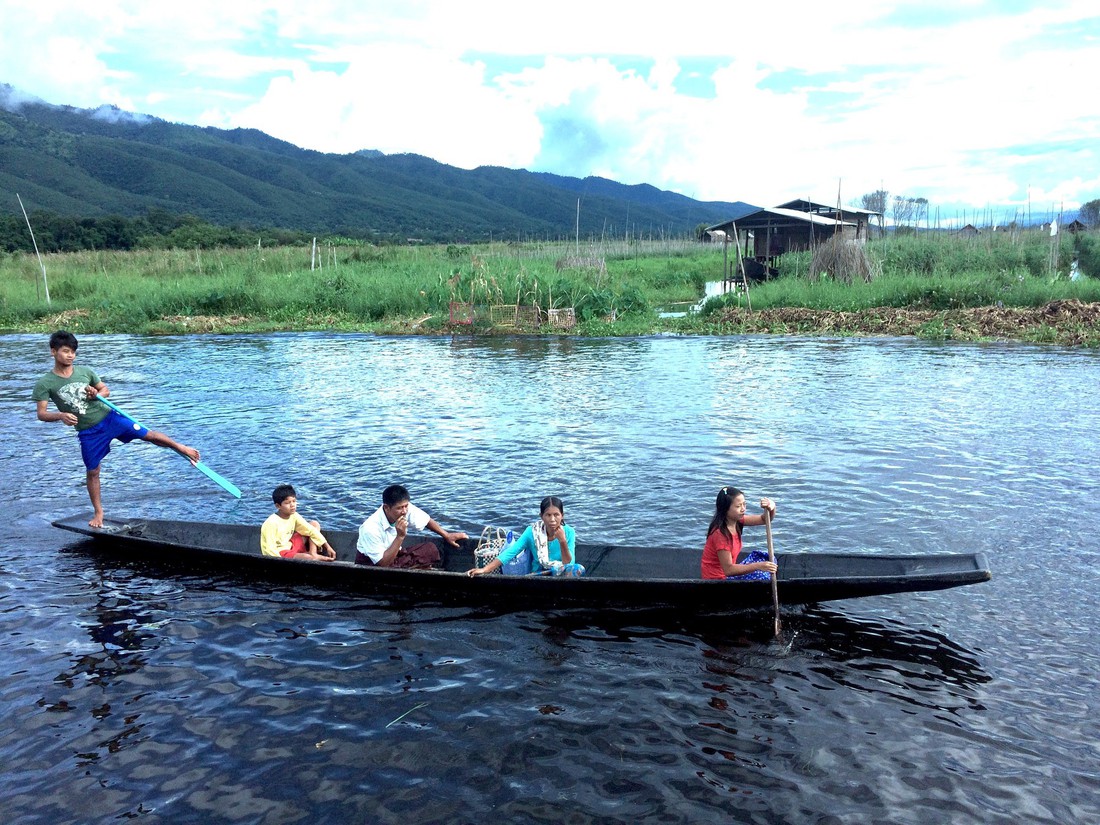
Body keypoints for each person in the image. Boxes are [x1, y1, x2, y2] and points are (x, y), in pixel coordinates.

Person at [32, 330, 201, 529]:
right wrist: (60, 415)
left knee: (148, 435)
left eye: (74, 352)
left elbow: (105, 390)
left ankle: (180, 447)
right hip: (88, 432)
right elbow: (41, 414)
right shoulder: (45, 383)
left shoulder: (85, 372)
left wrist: (97, 394)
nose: (71, 356)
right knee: (93, 471)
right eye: (66, 351)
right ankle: (99, 512)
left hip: (110, 418)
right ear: (53, 351)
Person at [466, 495, 584, 577]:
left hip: (561, 574)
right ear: (541, 516)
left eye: (556, 515)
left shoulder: (569, 532)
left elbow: (569, 563)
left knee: (578, 569)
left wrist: (562, 541)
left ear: (562, 516)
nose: (552, 519)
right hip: (539, 574)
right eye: (548, 515)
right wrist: (485, 569)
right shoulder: (532, 532)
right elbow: (511, 552)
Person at [356, 484, 468, 568]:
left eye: (406, 506)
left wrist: (446, 535)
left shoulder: (404, 509)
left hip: (394, 555)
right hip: (374, 564)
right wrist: (400, 536)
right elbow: (383, 564)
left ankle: (412, 567)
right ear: (386, 508)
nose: (404, 511)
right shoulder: (370, 528)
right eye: (400, 508)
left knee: (430, 548)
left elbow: (426, 520)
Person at [701, 486, 779, 581]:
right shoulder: (721, 535)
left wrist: (772, 506)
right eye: (738, 506)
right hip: (719, 579)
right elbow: (728, 570)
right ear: (725, 509)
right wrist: (758, 566)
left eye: (744, 504)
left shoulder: (737, 521)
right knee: (763, 576)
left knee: (766, 558)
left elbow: (765, 519)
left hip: (729, 571)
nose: (743, 509)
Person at [260, 484, 337, 562]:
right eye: (287, 503)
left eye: (294, 501)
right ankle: (313, 557)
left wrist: (327, 546)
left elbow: (310, 530)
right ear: (278, 506)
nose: (292, 505)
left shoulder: (294, 515)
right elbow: (269, 550)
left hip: (290, 544)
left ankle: (313, 553)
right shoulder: (271, 523)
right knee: (310, 559)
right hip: (281, 553)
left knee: (314, 524)